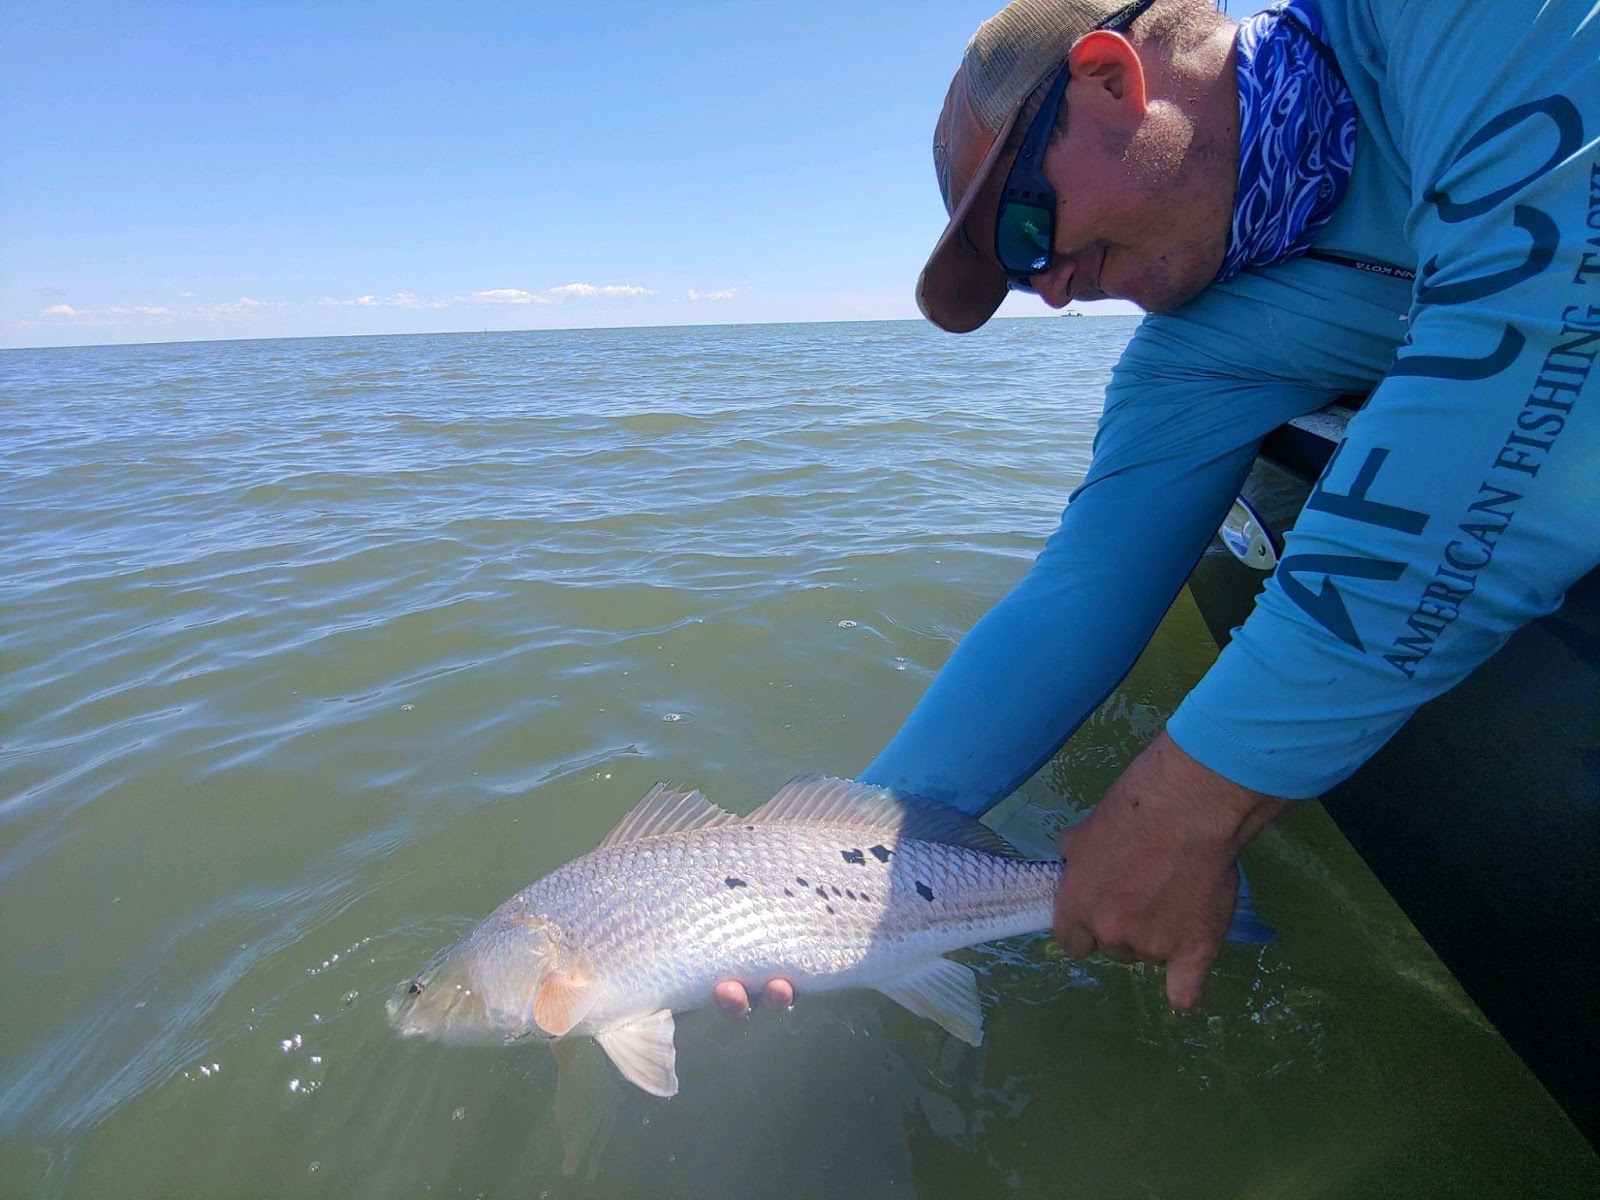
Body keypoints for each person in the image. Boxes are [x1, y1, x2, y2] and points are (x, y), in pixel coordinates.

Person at [717, 0, 1600, 1018]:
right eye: (1017, 277)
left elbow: (1545, 333)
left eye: (1024, 229)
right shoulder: (1197, 349)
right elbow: (1076, 600)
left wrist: (1189, 801)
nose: (1050, 290)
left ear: (1110, 78)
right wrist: (824, 858)